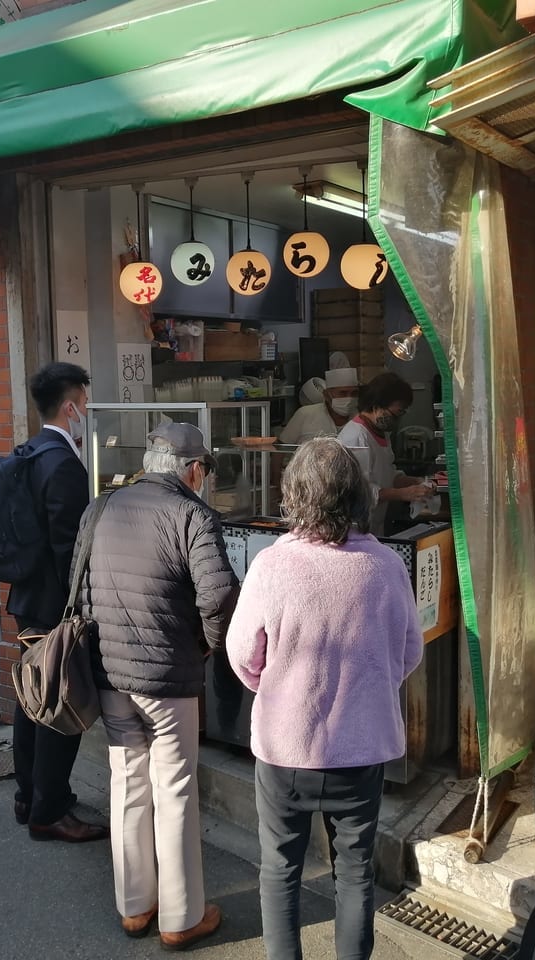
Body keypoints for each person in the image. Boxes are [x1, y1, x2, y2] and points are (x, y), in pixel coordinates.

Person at [224, 437, 425, 960]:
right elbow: (408, 654)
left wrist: (278, 689)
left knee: (280, 869)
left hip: (285, 747)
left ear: (294, 496)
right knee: (355, 873)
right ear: (358, 496)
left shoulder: (273, 565)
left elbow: (244, 656)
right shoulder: (385, 567)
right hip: (363, 749)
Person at [76, 421, 238, 950]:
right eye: (204, 471)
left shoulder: (101, 506)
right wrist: (210, 645)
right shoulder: (192, 514)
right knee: (174, 789)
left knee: (126, 783)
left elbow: (78, 584)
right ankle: (180, 916)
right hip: (167, 676)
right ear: (194, 469)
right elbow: (217, 597)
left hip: (108, 669)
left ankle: (134, 906)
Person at [7, 361, 108, 844]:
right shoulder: (63, 464)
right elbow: (72, 550)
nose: (87, 411)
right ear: (71, 407)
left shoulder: (30, 451)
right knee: (58, 703)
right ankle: (50, 809)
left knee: (32, 700)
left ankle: (28, 795)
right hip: (55, 608)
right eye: (85, 404)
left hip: (28, 598)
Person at [336, 371, 433, 535]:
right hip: (352, 529)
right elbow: (360, 491)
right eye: (396, 413)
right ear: (376, 406)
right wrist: (403, 494)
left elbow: (387, 473)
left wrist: (415, 482)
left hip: (373, 525)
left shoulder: (381, 432)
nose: (398, 419)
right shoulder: (356, 438)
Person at [278, 368, 360, 445]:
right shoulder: (305, 414)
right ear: (327, 395)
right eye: (343, 393)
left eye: (354, 393)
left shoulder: (361, 418)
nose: (349, 398)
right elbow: (281, 448)